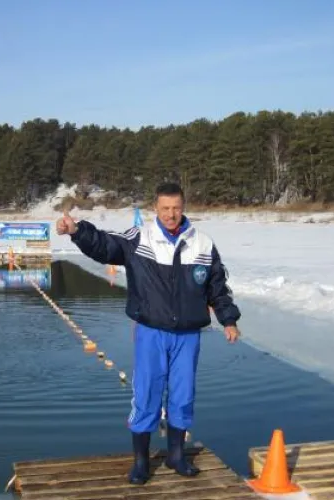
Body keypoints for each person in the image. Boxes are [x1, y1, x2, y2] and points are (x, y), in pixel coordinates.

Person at [56, 182, 241, 485]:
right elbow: (104, 245)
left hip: (188, 335)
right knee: (147, 394)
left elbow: (217, 286)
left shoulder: (203, 244)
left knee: (183, 396)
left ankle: (176, 456)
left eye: (176, 208)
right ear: (156, 208)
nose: (171, 214)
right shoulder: (139, 238)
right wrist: (77, 231)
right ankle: (141, 462)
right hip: (151, 332)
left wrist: (228, 319)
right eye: (165, 208)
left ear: (184, 208)